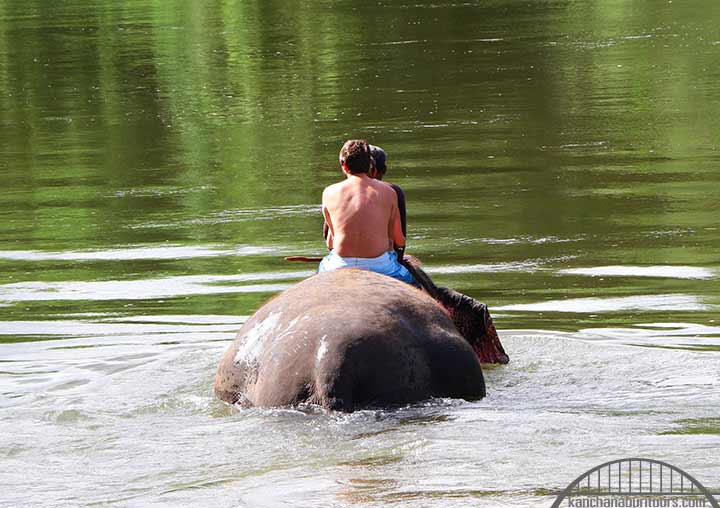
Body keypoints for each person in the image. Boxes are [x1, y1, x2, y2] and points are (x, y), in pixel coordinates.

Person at [318, 139, 415, 284]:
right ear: (369, 165)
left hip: (339, 264)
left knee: (319, 275)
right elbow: (398, 240)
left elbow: (331, 243)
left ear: (344, 165)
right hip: (381, 266)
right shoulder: (389, 192)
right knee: (412, 282)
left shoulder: (329, 192)